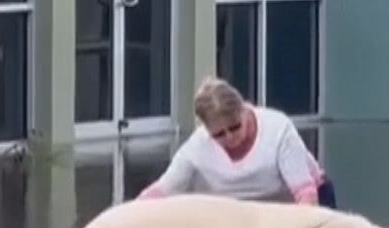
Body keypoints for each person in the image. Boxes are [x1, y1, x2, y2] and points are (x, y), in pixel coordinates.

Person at [137, 77, 337, 208]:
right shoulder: (196, 148)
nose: (230, 137)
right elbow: (162, 190)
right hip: (245, 214)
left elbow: (305, 194)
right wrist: (127, 214)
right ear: (206, 130)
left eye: (235, 127)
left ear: (244, 110)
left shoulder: (278, 130)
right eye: (219, 135)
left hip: (299, 202)